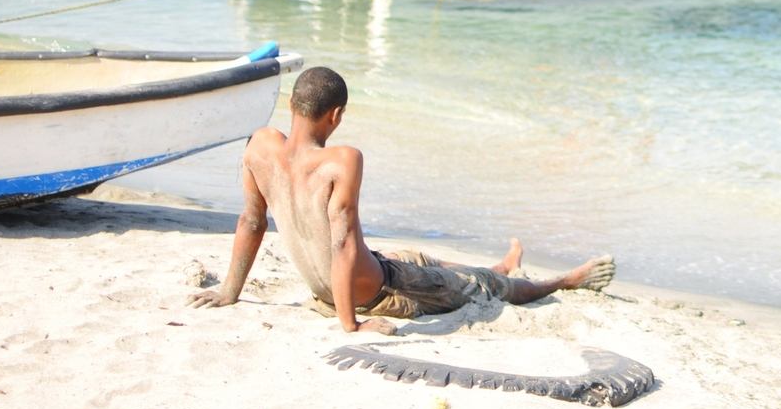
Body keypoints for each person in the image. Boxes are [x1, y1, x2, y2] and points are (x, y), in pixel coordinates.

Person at [188, 66, 614, 334]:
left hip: (344, 281)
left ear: (294, 105)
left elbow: (250, 222)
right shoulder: (341, 161)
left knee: (423, 259)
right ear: (335, 115)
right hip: (378, 290)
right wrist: (350, 323)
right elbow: (341, 244)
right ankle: (560, 281)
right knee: (484, 287)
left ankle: (503, 262)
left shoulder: (260, 147)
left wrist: (230, 291)